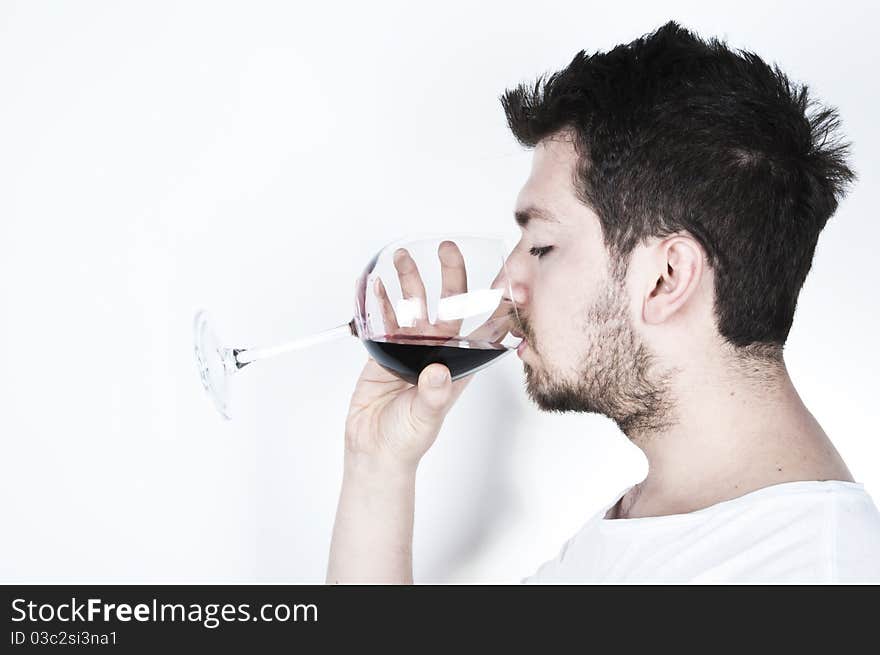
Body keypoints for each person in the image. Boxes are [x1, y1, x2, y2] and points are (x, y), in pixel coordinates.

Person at [326, 21, 880, 583]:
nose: (506, 281)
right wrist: (378, 465)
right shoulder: (656, 524)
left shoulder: (807, 575)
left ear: (666, 277)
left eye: (541, 245)